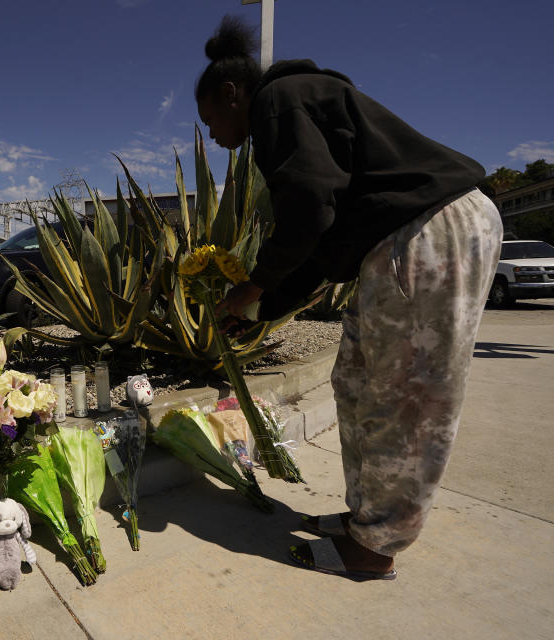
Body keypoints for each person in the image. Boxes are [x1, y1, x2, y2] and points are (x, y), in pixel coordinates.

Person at [196, 16, 502, 580]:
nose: (213, 136)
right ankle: (367, 516)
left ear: (231, 92)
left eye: (210, 118)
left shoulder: (280, 102)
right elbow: (319, 245)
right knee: (358, 382)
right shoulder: (295, 104)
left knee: (404, 398)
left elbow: (310, 207)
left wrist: (254, 285)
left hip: (430, 229)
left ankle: (375, 549)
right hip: (400, 237)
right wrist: (258, 308)